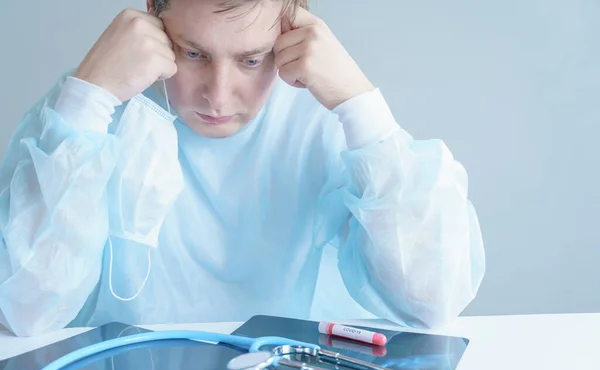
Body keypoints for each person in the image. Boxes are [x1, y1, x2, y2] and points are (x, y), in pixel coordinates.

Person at [0, 0, 485, 337]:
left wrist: (363, 110)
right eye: (193, 53)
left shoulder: (325, 117)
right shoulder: (95, 105)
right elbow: (24, 310)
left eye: (253, 59)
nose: (218, 95)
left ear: (294, 29)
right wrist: (87, 100)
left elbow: (432, 300)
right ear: (152, 14)